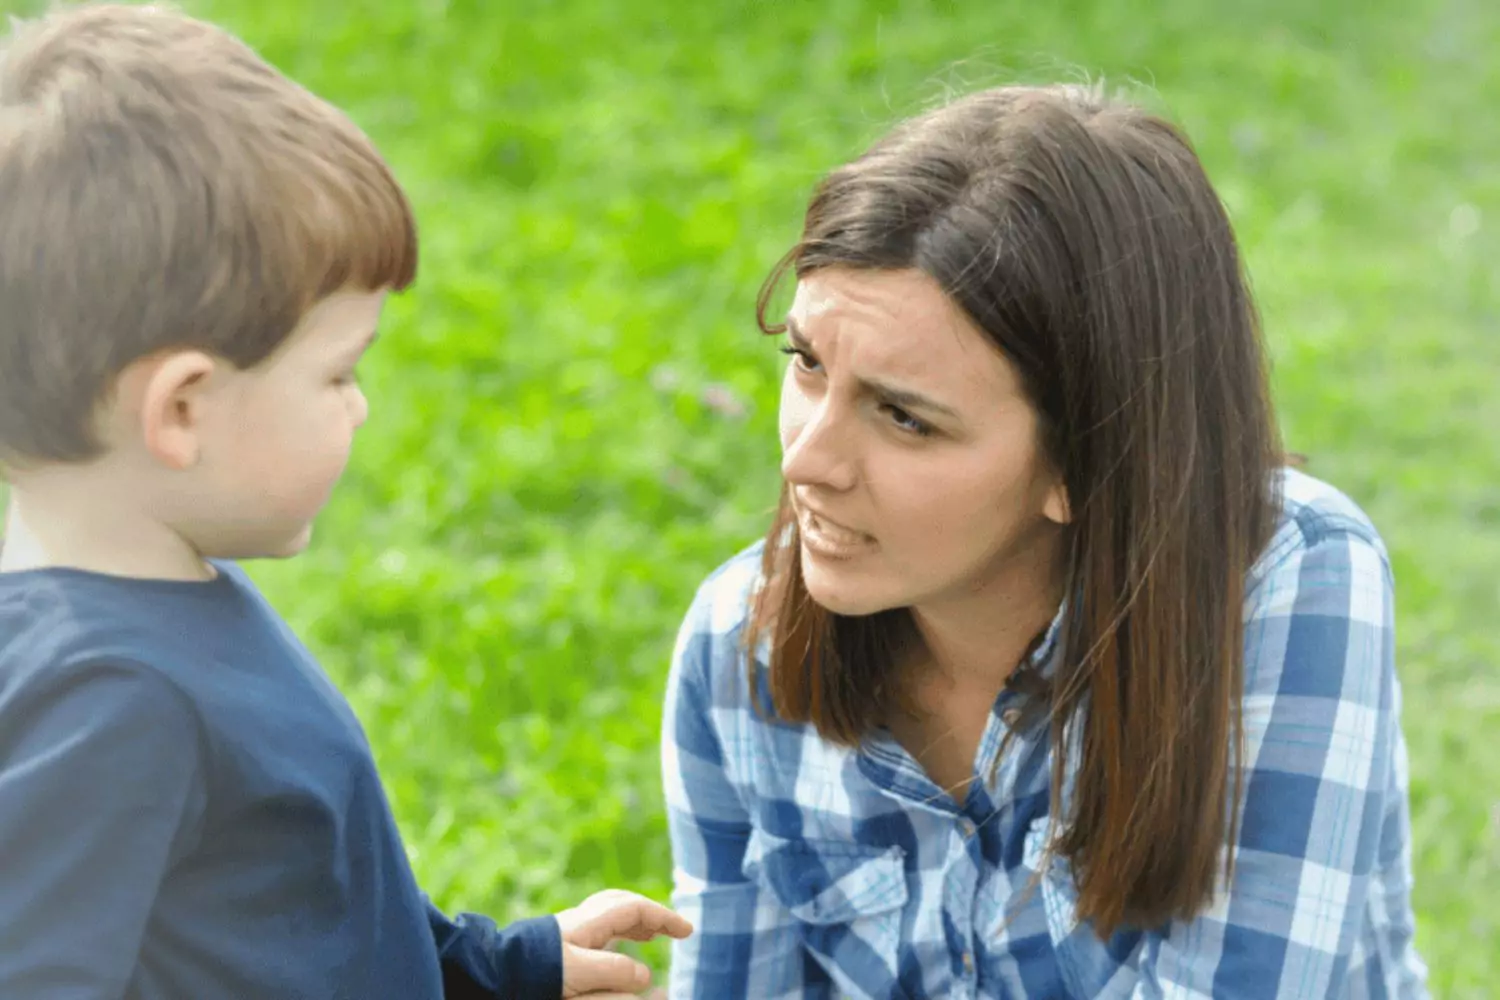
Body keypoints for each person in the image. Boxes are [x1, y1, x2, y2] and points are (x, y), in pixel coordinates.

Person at [661, 83, 1429, 999]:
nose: (805, 462)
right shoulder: (737, 644)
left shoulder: (1285, 586)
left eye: (904, 417)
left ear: (1087, 461)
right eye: (807, 363)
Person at [0, 4, 689, 998]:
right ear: (183, 409)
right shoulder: (113, 699)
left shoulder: (167, 598)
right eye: (338, 372)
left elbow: (300, 922)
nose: (360, 406)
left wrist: (499, 970)